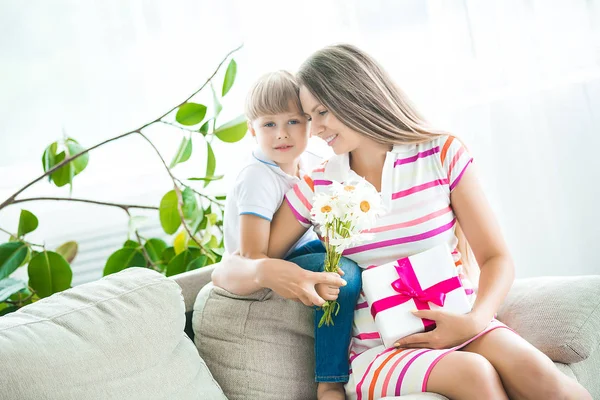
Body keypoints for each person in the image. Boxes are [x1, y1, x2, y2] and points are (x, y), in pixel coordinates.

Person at [215, 46, 592, 400]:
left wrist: (476, 320)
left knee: (541, 376)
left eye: (322, 113)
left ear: (355, 96)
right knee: (474, 374)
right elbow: (233, 267)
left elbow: (496, 257)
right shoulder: (318, 183)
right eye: (310, 117)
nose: (314, 130)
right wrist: (270, 272)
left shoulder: (441, 151)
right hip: (380, 347)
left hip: (459, 322)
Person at [214, 70, 362, 400]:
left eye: (293, 122)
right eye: (269, 124)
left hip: (299, 249)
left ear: (310, 123)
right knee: (344, 275)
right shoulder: (257, 177)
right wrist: (314, 269)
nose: (282, 134)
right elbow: (254, 255)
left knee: (357, 255)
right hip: (267, 263)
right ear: (252, 130)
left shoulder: (309, 162)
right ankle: (330, 382)